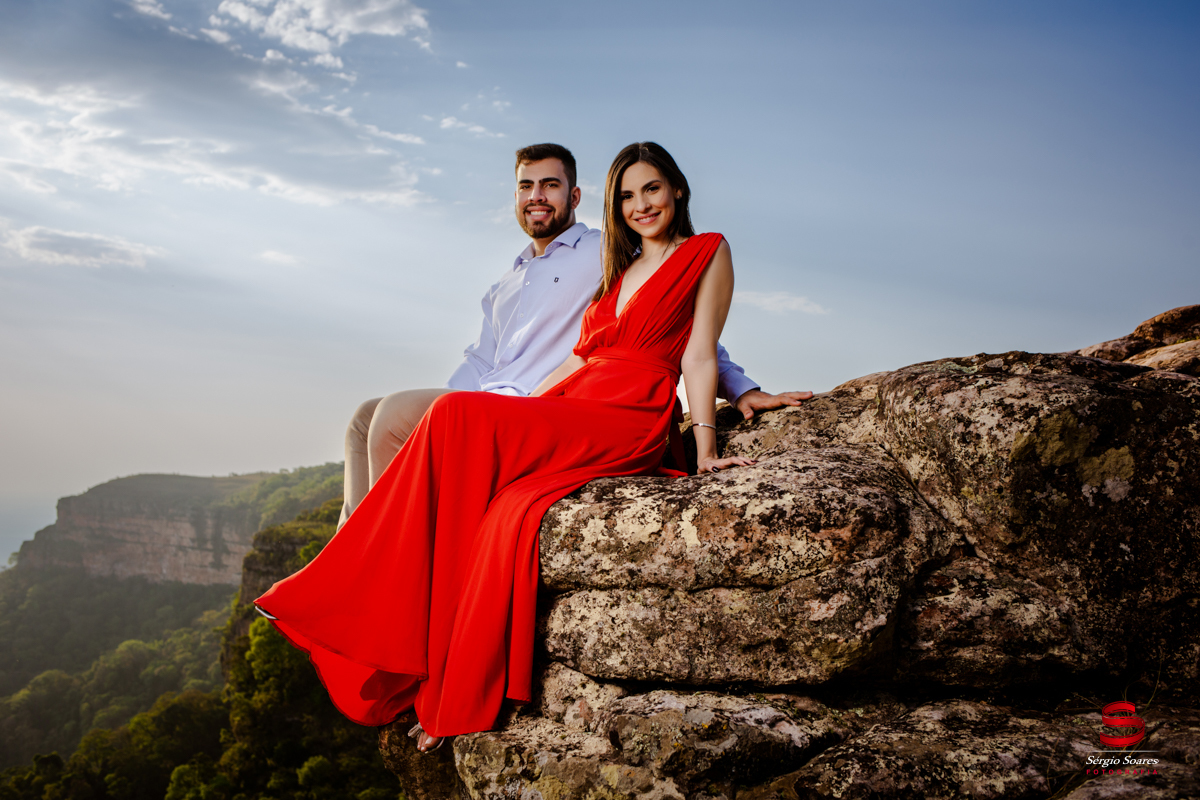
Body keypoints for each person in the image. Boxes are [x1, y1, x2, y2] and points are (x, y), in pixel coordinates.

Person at [255, 142, 772, 753]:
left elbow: (698, 349)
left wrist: (720, 425)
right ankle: (371, 592)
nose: (640, 205)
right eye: (628, 196)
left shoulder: (693, 250)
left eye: (651, 189)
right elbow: (574, 357)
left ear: (677, 189)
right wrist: (516, 412)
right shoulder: (615, 265)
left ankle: (354, 590)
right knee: (423, 420)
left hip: (627, 412)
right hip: (572, 396)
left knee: (446, 415)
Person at [337, 143, 812, 530]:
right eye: (526, 186)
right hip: (520, 398)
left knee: (399, 414)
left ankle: (376, 555)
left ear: (576, 195)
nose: (537, 196)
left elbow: (676, 321)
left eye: (550, 184)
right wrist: (464, 406)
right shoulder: (508, 283)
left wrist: (740, 388)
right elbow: (481, 362)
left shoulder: (604, 252)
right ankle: (350, 544)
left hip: (572, 403)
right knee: (364, 419)